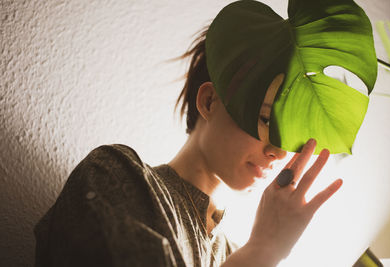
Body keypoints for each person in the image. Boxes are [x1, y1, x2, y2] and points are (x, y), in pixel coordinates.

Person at [34, 2, 343, 267]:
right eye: (265, 119)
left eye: (292, 140)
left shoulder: (232, 253)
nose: (279, 153)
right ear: (209, 101)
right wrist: (264, 249)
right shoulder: (113, 173)